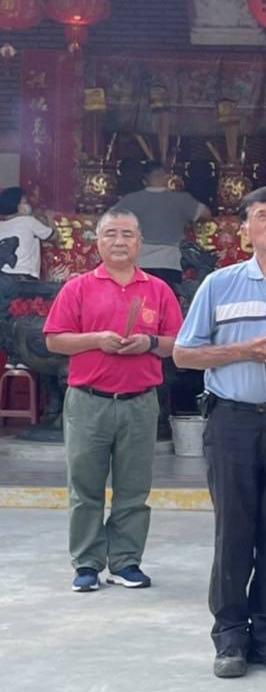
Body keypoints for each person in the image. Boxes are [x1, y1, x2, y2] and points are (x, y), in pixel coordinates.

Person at [174, 187, 266, 678]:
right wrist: (243, 350)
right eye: (263, 216)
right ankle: (230, 638)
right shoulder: (220, 284)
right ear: (246, 229)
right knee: (234, 529)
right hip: (232, 419)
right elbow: (184, 354)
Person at [43, 208, 183, 592]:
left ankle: (125, 562)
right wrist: (96, 339)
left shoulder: (158, 290)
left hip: (140, 403)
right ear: (98, 241)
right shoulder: (78, 288)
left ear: (140, 242)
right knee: (85, 487)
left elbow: (179, 345)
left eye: (127, 234)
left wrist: (149, 343)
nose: (119, 241)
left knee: (133, 490)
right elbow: (54, 339)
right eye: (111, 234)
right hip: (88, 401)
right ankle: (87, 563)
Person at [112, 162, 209, 285]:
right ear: (166, 177)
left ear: (144, 180)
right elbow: (205, 213)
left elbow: (109, 220)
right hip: (170, 262)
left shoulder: (130, 200)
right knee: (167, 301)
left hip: (140, 261)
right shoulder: (181, 199)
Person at [0, 186, 53, 279]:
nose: (28, 205)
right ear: (17, 205)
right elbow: (53, 236)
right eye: (25, 202)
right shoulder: (28, 221)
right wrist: (50, 218)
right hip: (24, 276)